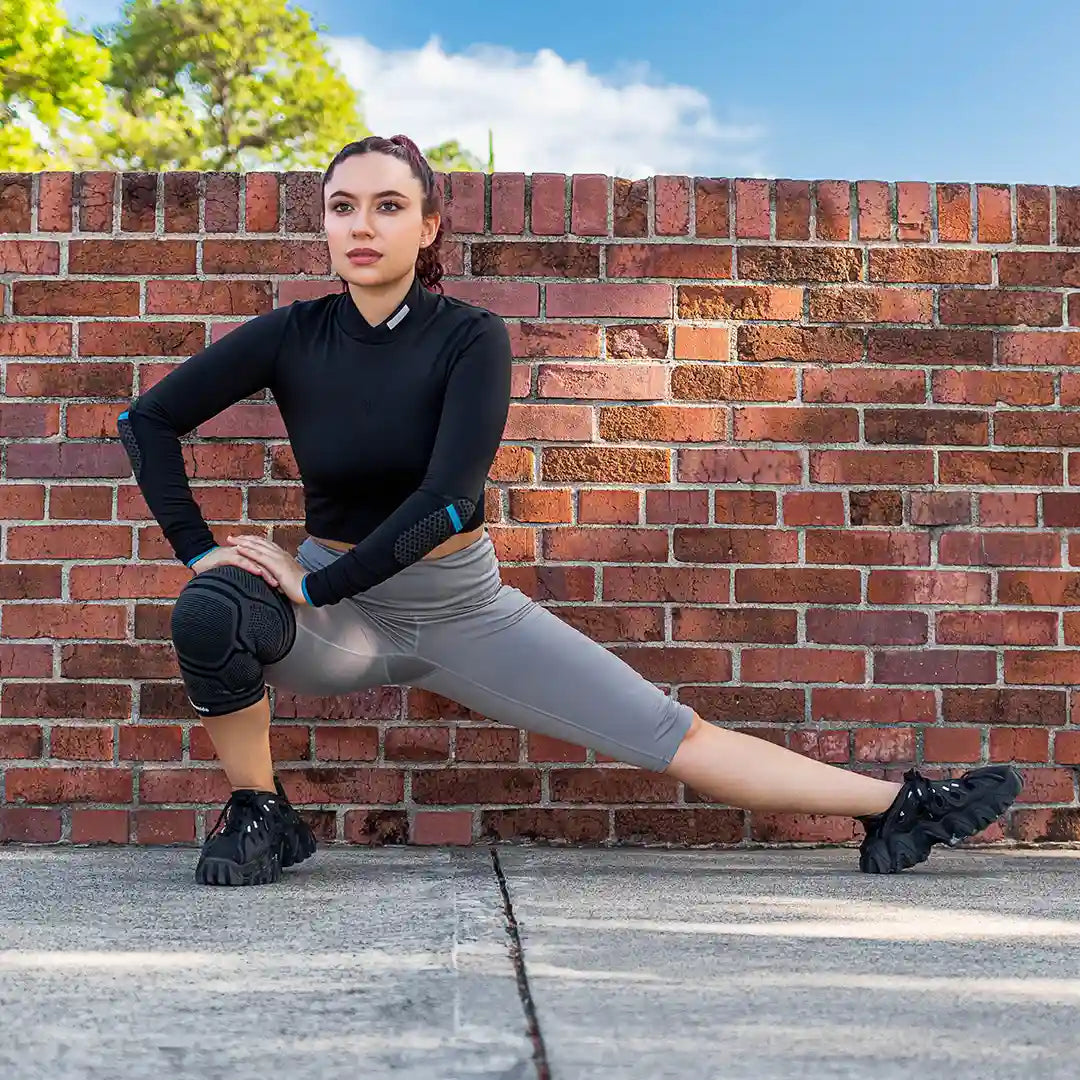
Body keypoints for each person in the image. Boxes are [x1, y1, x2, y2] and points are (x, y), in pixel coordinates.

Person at [117, 135, 1023, 886]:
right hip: (342, 614)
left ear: (428, 223)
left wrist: (317, 587)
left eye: (389, 205)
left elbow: (447, 502)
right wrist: (203, 552)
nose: (362, 225)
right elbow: (148, 419)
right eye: (343, 205)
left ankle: (900, 805)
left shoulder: (469, 335)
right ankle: (262, 808)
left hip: (460, 608)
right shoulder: (294, 333)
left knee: (672, 735)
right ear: (324, 222)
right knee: (212, 611)